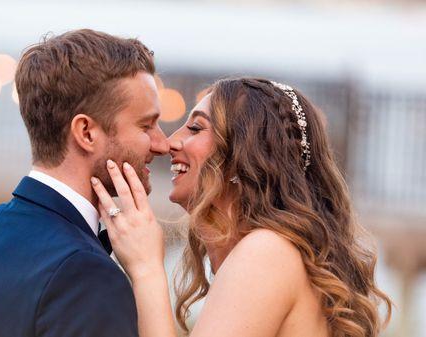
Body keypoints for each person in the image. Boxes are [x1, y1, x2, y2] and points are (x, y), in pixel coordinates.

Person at [92, 77, 392, 337]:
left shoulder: (267, 252)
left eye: (195, 128)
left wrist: (146, 269)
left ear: (245, 157)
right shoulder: (273, 252)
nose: (170, 142)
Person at [0, 29, 169, 337]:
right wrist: (148, 273)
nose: (163, 144)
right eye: (146, 125)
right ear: (87, 133)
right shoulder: (87, 275)